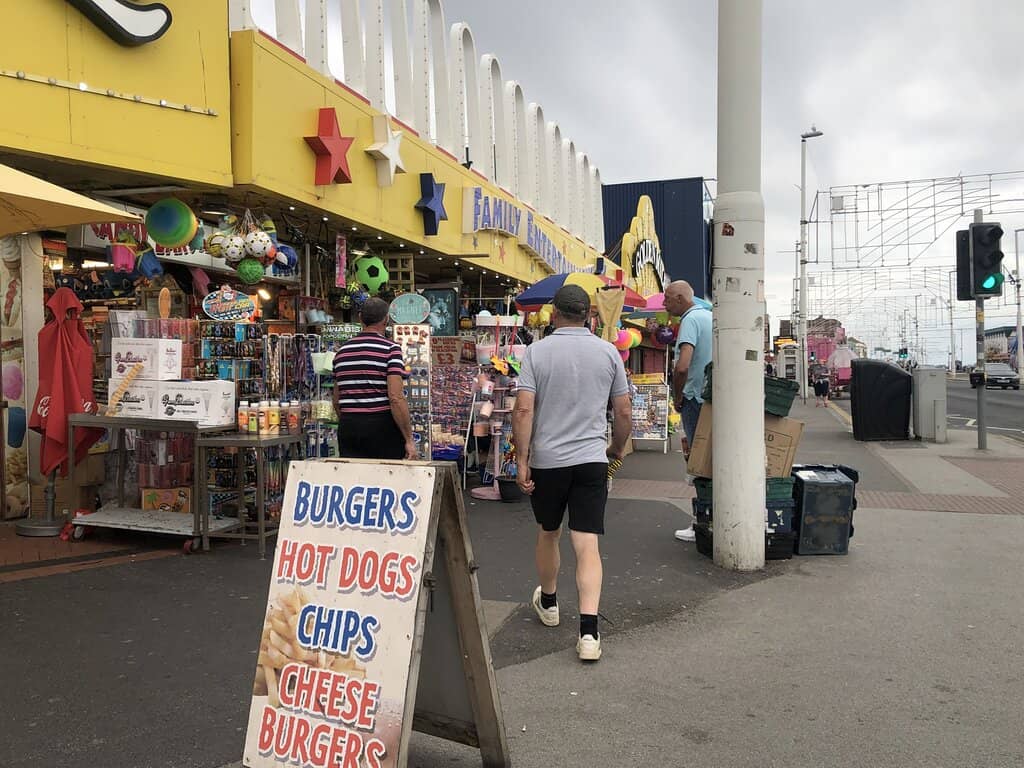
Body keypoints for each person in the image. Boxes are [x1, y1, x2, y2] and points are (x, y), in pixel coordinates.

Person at [513, 285, 632, 662]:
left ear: (554, 312)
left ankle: (549, 603)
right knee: (588, 544)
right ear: (588, 314)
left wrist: (521, 459)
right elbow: (625, 412)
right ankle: (589, 634)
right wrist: (614, 448)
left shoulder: (537, 352)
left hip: (548, 460)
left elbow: (523, 410)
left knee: (549, 532)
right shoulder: (608, 351)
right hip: (591, 459)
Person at [332, 297, 417, 460]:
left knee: (354, 479)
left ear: (360, 318)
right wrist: (409, 439)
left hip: (349, 426)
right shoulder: (391, 350)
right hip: (381, 427)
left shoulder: (342, 352)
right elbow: (396, 398)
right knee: (386, 479)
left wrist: (351, 421)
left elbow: (336, 400)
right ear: (386, 319)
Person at [663, 280, 713, 543]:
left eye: (667, 299)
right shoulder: (710, 316)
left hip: (694, 397)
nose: (664, 304)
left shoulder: (690, 320)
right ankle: (713, 518)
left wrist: (678, 396)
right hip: (713, 397)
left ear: (681, 298)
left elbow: (682, 367)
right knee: (713, 460)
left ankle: (701, 523)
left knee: (698, 463)